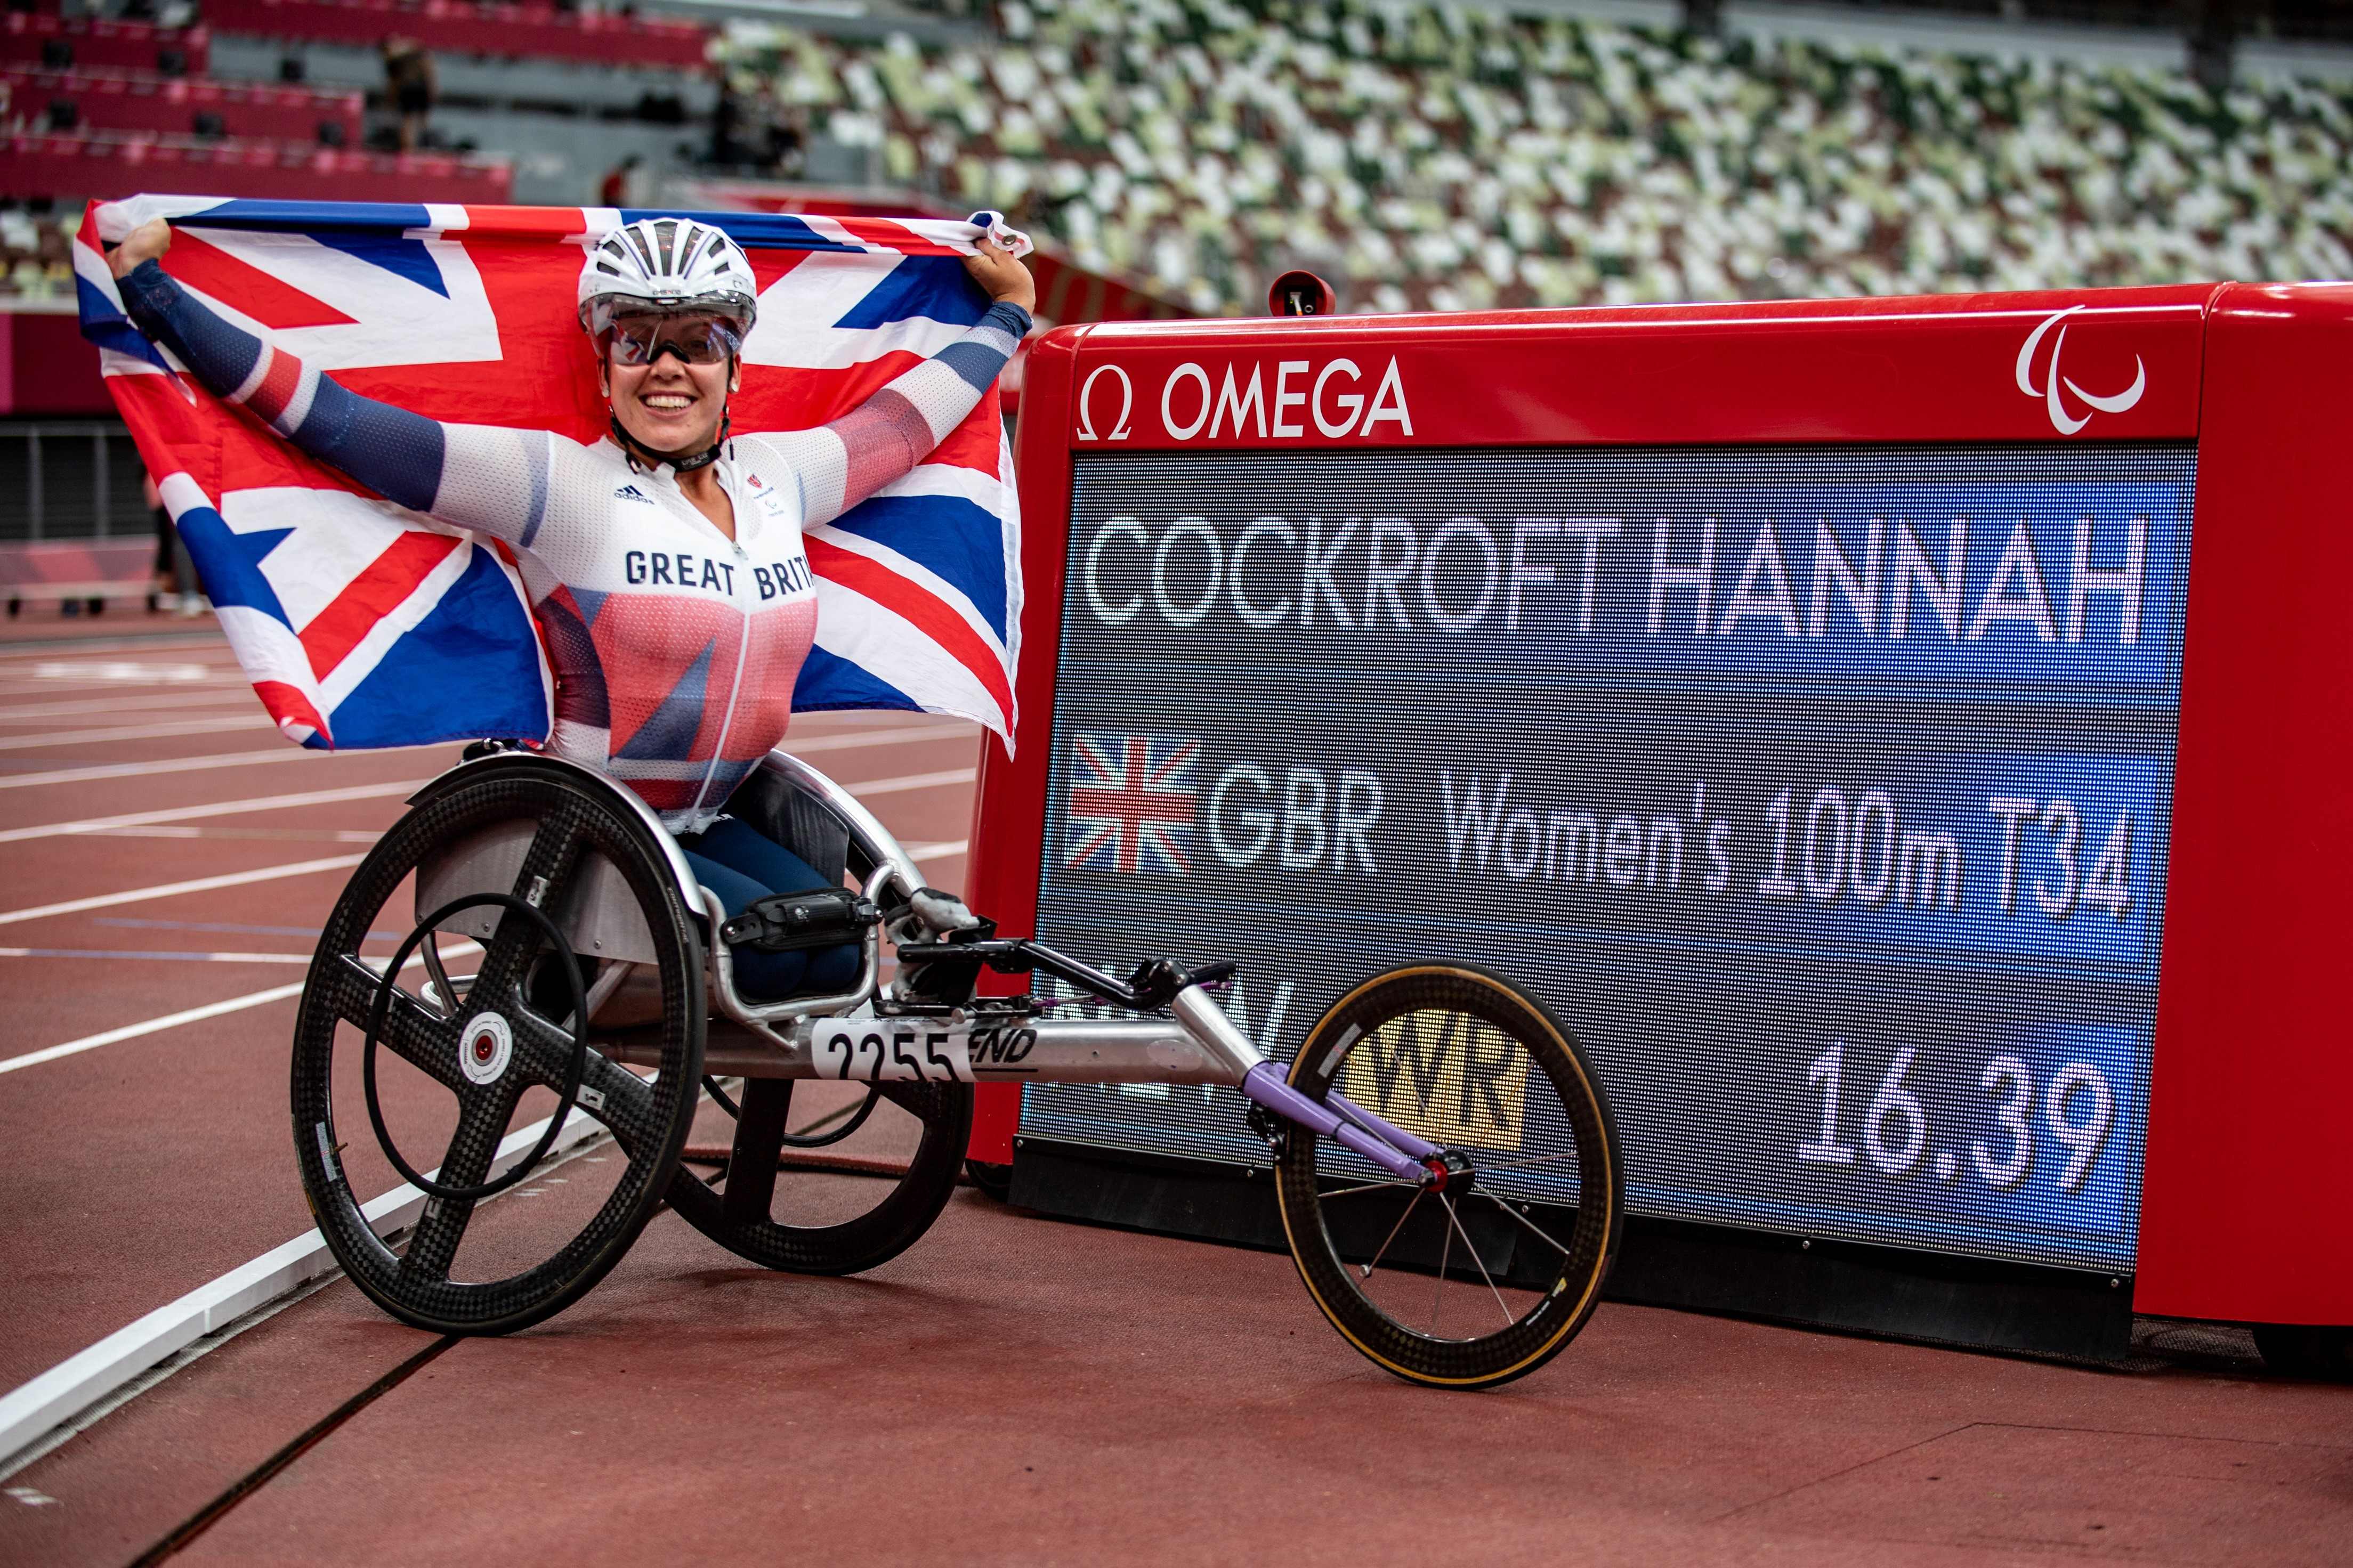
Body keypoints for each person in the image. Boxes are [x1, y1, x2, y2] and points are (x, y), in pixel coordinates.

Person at [109, 213, 1034, 999]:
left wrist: (1007, 317)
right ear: (604, 362)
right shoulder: (560, 486)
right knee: (817, 954)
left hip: (718, 817)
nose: (666, 367)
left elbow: (910, 421)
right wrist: (157, 298)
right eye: (636, 341)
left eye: (698, 342)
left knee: (844, 943)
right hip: (592, 834)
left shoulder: (779, 478)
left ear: (734, 365)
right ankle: (566, 995)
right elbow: (344, 424)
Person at [380, 36, 436, 153]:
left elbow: (394, 83)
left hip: (411, 87)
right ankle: (418, 147)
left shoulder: (396, 58)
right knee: (415, 120)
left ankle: (414, 148)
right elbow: (428, 69)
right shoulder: (413, 51)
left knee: (411, 120)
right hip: (416, 87)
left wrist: (391, 99)